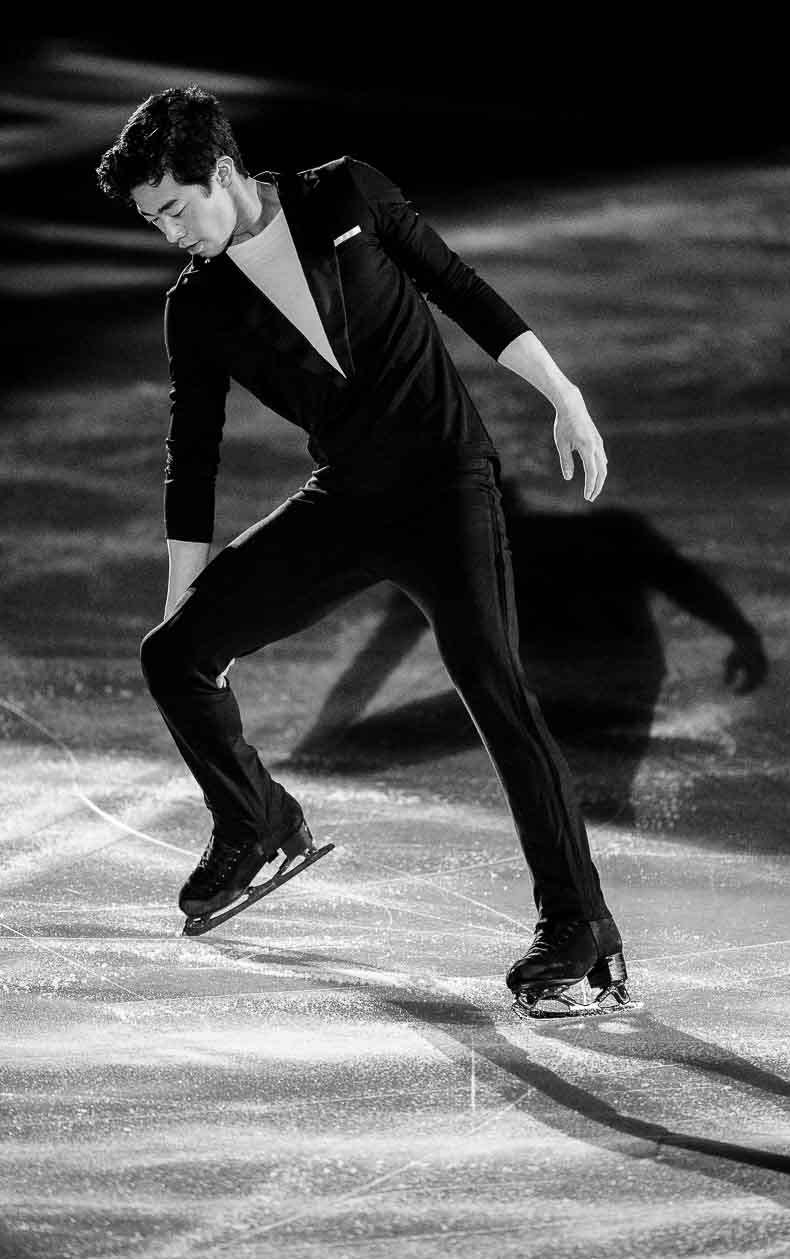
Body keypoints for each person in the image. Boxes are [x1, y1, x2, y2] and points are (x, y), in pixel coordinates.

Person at [96, 85, 630, 1014]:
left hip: (445, 488)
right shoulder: (200, 307)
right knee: (174, 655)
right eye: (153, 221)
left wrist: (563, 395)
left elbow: (457, 285)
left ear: (221, 172)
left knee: (497, 695)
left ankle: (578, 924)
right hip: (345, 502)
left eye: (175, 209)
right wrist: (185, 594)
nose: (170, 232)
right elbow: (195, 456)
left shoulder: (344, 195)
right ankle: (256, 818)